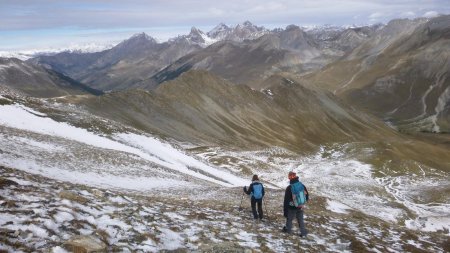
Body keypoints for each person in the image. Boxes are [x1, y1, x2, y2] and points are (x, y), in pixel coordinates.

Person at [283, 171, 308, 237]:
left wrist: (285, 211)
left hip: (292, 207)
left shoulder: (289, 188)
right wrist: (301, 203)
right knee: (300, 220)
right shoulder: (302, 185)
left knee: (289, 219)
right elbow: (307, 196)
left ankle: (288, 232)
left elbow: (286, 201)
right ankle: (303, 233)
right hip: (300, 206)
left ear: (290, 178)